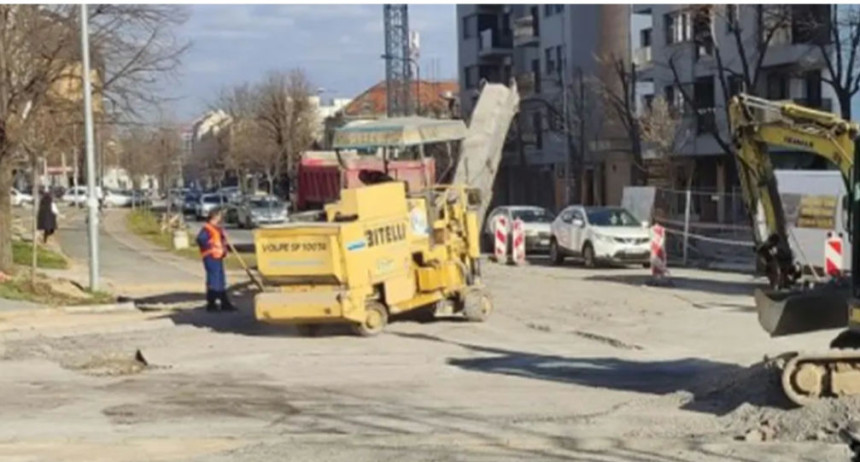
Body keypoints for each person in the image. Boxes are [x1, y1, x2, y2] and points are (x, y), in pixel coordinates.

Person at [196, 208, 236, 312]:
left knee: (220, 279)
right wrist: (210, 245)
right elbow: (201, 239)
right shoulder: (207, 228)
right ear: (214, 217)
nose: (220, 219)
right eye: (219, 217)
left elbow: (220, 240)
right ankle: (212, 303)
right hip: (210, 257)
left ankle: (224, 302)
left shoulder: (216, 228)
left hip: (218, 257)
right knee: (214, 280)